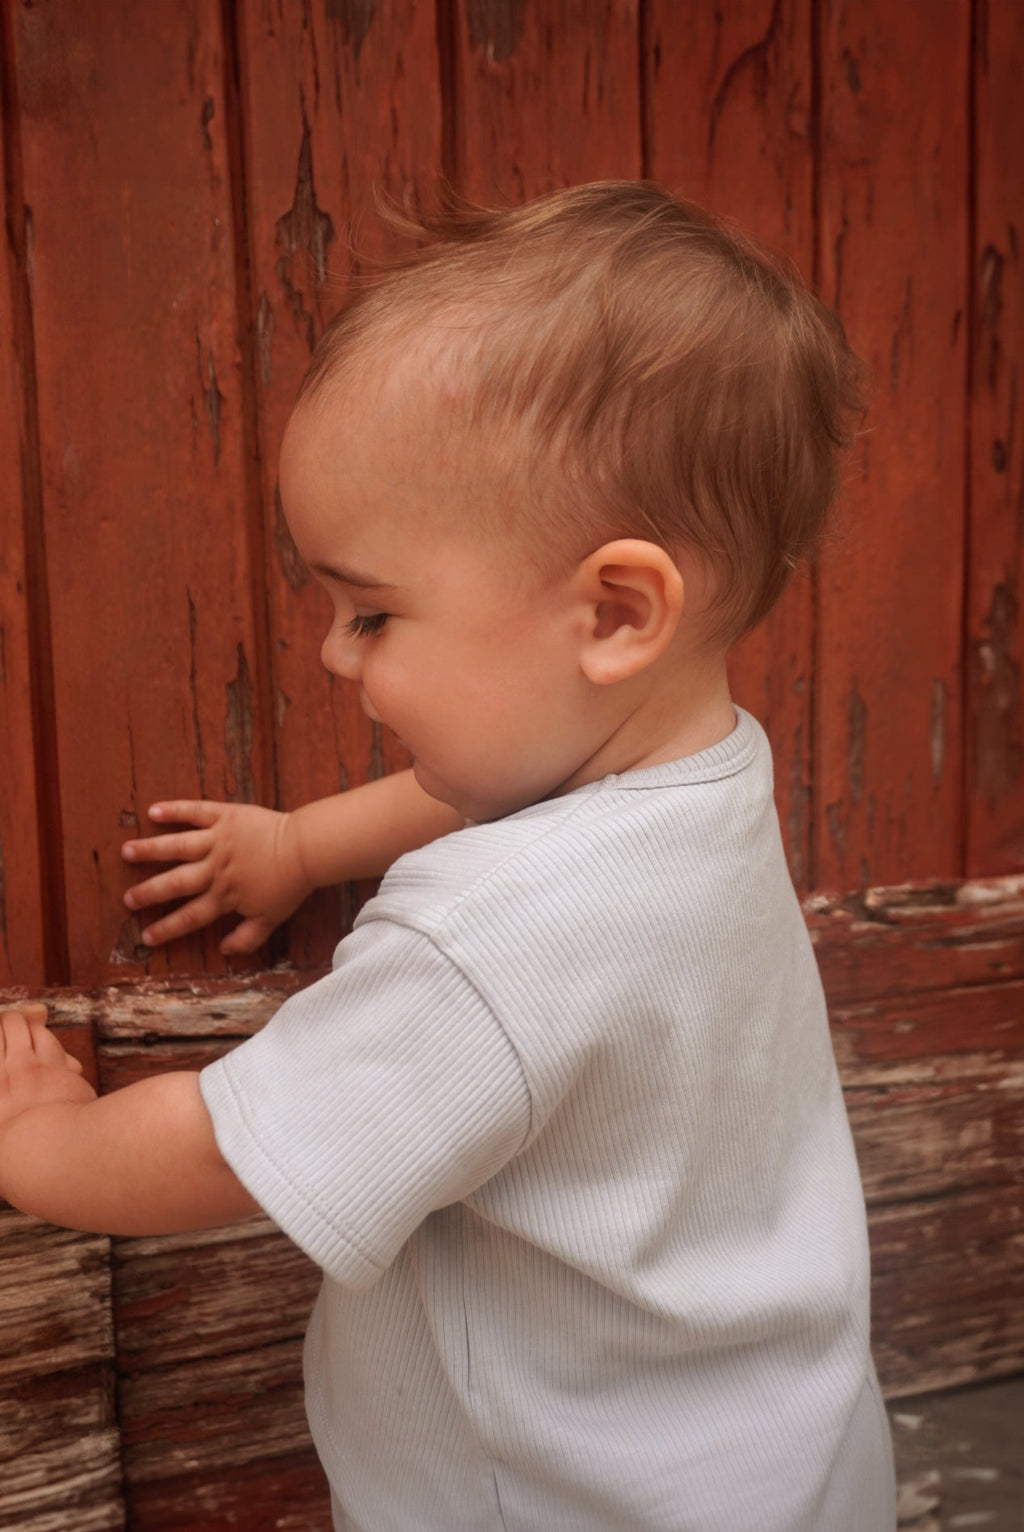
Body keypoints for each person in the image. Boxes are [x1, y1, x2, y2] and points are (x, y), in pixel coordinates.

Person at [0, 183, 896, 1530]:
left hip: (561, 1503)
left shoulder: (487, 948)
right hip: (784, 1458)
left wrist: (42, 1141)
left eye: (369, 613)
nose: (329, 652)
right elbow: (486, 792)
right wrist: (307, 843)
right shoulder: (701, 769)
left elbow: (228, 1151)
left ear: (613, 611)